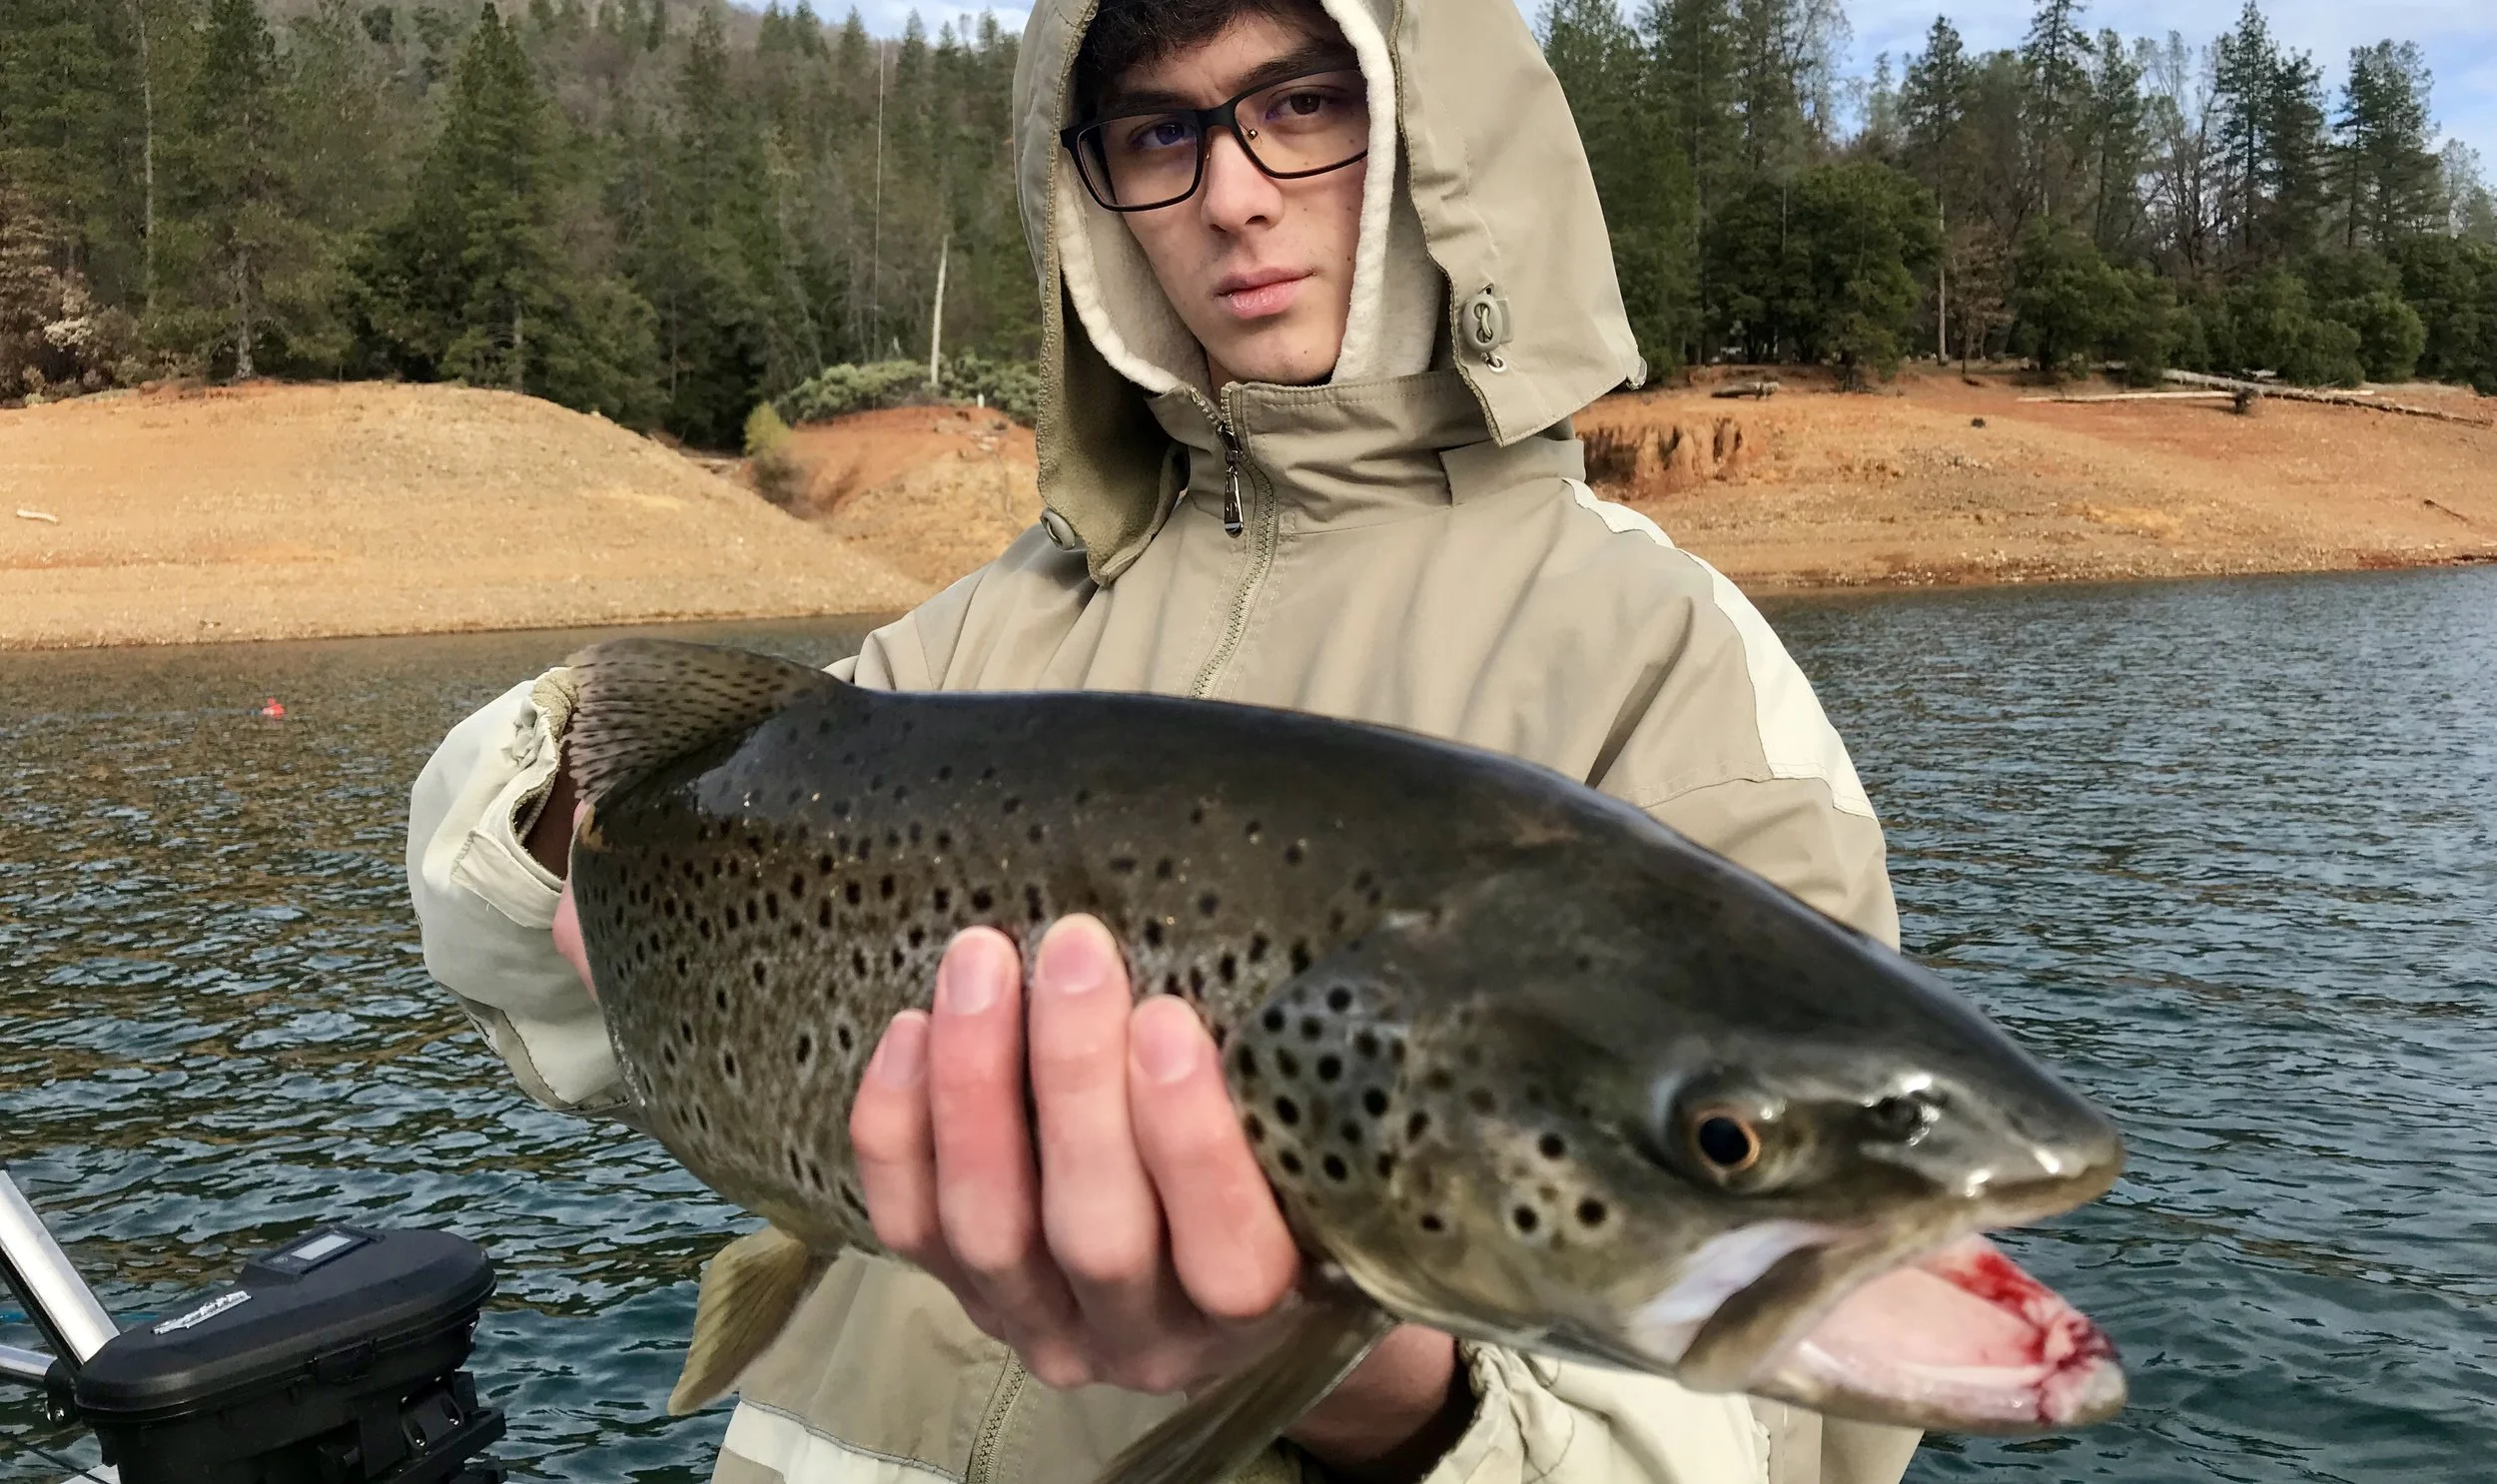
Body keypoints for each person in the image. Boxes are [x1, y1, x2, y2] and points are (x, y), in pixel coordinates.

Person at [408, 0, 1924, 1479]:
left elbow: (1798, 1432)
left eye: (1303, 104)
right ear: (1095, 191)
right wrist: (561, 820)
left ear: (1434, 128)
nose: (1235, 196)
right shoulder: (976, 636)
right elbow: (527, 980)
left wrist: (1384, 1398)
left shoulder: (1660, 654)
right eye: (1160, 133)